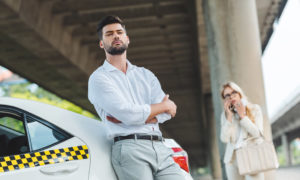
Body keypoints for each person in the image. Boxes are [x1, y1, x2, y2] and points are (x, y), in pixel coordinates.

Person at [88, 15, 185, 180]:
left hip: (160, 147)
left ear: (127, 38)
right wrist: (158, 108)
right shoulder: (99, 79)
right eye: (109, 34)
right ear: (101, 43)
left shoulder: (145, 75)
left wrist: (138, 116)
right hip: (129, 149)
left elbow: (170, 111)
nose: (116, 36)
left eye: (119, 32)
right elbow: (129, 114)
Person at [220, 81, 264, 180]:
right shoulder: (225, 115)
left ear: (239, 94)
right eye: (227, 95)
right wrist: (229, 118)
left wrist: (242, 116)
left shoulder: (254, 109)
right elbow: (224, 139)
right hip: (232, 159)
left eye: (233, 93)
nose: (231, 97)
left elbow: (258, 134)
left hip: (251, 156)